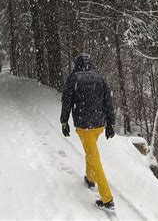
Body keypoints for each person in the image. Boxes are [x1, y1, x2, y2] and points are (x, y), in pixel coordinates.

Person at [60, 53, 116, 210]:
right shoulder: (100, 78)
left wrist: (64, 121)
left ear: (77, 64)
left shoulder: (73, 78)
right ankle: (90, 178)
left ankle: (107, 198)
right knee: (91, 151)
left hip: (84, 126)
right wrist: (111, 123)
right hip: (99, 125)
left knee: (94, 157)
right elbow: (108, 102)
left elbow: (67, 101)